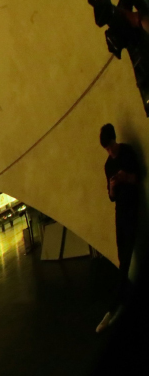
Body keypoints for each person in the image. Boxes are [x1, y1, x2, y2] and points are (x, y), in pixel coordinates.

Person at [97, 123, 142, 333]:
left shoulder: (127, 153)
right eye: (107, 149)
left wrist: (127, 178)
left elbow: (139, 177)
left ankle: (117, 304)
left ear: (115, 140)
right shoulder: (108, 165)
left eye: (110, 146)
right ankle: (121, 300)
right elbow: (111, 197)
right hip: (121, 213)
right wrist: (113, 187)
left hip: (133, 209)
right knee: (122, 256)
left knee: (128, 257)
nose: (110, 151)